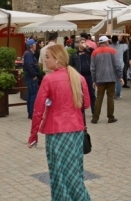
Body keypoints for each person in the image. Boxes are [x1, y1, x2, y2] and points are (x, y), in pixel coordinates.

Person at [28, 44, 91, 201]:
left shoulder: (49, 79)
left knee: (58, 175)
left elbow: (38, 110)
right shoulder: (79, 78)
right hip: (76, 131)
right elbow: (87, 104)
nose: (44, 59)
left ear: (57, 60)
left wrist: (33, 134)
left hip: (56, 132)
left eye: (48, 57)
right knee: (74, 172)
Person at [90, 35, 123, 123]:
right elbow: (117, 65)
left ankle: (95, 118)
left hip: (100, 79)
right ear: (107, 42)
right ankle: (110, 117)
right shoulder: (112, 51)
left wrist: (94, 79)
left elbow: (92, 68)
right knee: (110, 98)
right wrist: (120, 76)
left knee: (99, 98)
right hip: (111, 78)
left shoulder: (94, 52)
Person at [22, 39, 41, 119]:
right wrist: (34, 75)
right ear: (32, 46)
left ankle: (30, 113)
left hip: (29, 76)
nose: (36, 46)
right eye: (35, 45)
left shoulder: (27, 53)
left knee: (30, 94)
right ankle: (32, 113)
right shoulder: (29, 54)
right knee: (33, 95)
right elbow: (30, 65)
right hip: (31, 77)